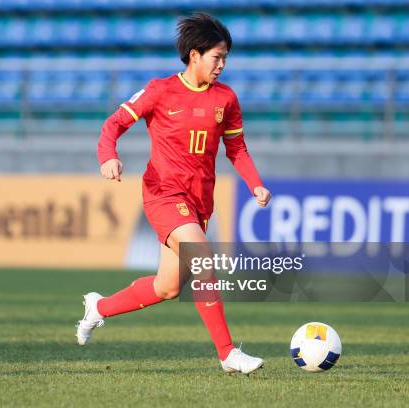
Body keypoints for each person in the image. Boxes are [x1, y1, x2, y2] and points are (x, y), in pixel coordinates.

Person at [76, 13, 271, 374]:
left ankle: (98, 309)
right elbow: (113, 125)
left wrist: (255, 183)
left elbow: (237, 149)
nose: (222, 65)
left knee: (167, 288)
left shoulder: (226, 99)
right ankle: (228, 353)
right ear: (194, 55)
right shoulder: (160, 90)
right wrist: (109, 157)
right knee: (203, 258)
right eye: (217, 57)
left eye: (226, 57)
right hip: (163, 194)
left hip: (199, 202)